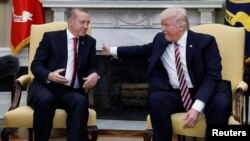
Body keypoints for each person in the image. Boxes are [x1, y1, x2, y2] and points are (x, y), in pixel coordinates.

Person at [102, 8, 232, 141]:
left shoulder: (205, 42)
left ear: (181, 27)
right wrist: (112, 50)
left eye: (166, 25)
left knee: (221, 104)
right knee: (156, 99)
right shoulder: (161, 39)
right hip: (177, 93)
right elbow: (141, 50)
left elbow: (213, 77)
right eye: (161, 25)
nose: (162, 29)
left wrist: (197, 108)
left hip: (206, 91)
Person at [28, 8, 100, 141]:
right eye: (82, 22)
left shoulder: (90, 42)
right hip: (44, 87)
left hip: (69, 91)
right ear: (70, 22)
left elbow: (92, 66)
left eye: (88, 22)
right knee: (46, 100)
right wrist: (49, 75)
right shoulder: (51, 37)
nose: (86, 26)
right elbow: (36, 65)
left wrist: (95, 74)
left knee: (80, 101)